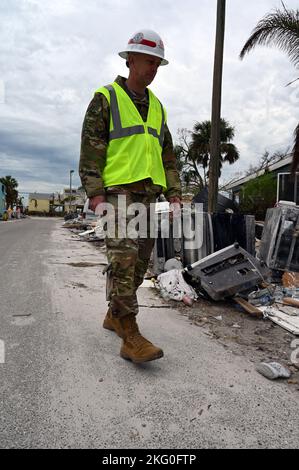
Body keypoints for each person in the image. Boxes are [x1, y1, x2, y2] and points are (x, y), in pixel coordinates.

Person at [79, 29, 181, 363]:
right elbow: (92, 148)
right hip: (118, 196)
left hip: (149, 199)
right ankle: (130, 335)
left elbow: (168, 156)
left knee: (138, 267)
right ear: (130, 59)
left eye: (157, 64)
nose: (153, 69)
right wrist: (95, 195)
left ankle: (113, 315)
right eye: (148, 61)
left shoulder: (158, 108)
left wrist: (176, 194)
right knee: (122, 264)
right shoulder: (106, 98)